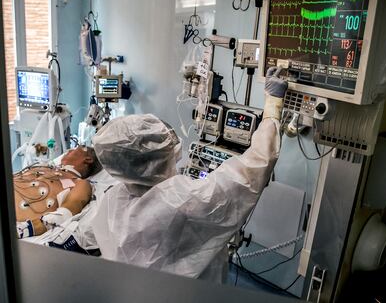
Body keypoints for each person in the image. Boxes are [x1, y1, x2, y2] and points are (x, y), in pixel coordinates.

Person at [91, 66, 287, 283]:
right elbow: (253, 168)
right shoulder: (184, 200)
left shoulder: (112, 199)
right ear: (163, 154)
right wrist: (273, 106)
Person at [15, 146, 102, 239]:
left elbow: (62, 215)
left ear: (88, 159)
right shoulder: (42, 167)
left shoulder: (79, 183)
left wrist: (22, 229)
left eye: (76, 149)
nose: (69, 150)